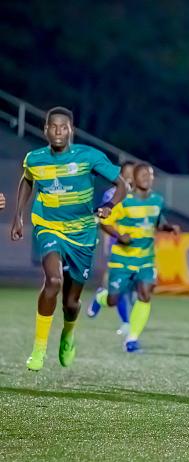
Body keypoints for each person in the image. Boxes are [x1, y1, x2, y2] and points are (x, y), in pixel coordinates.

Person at [10, 106, 126, 371]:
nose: (58, 131)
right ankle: (39, 349)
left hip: (82, 233)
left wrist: (109, 206)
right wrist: (19, 215)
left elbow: (122, 184)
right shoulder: (34, 158)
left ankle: (68, 334)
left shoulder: (89, 156)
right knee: (53, 281)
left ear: (71, 130)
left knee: (71, 303)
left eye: (63, 127)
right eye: (53, 126)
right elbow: (27, 180)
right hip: (48, 226)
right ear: (45, 130)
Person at [88, 163, 179, 353]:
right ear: (134, 178)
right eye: (143, 174)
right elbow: (105, 222)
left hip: (146, 259)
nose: (147, 177)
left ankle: (132, 340)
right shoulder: (123, 201)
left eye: (150, 174)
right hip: (122, 259)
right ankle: (100, 297)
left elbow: (158, 222)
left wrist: (169, 228)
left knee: (145, 295)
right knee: (113, 300)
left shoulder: (157, 201)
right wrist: (119, 236)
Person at [86, 160, 136, 335]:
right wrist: (114, 239)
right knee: (120, 286)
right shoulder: (111, 194)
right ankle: (126, 322)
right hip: (116, 245)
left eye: (133, 173)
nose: (130, 176)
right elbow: (105, 220)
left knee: (131, 286)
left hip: (136, 248)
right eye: (127, 173)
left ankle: (101, 296)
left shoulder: (139, 195)